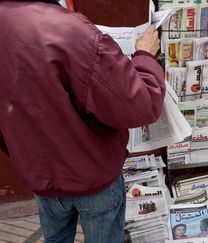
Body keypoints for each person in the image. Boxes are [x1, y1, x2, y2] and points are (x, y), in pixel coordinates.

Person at [0, 1, 165, 242]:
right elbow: (142, 105)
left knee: (55, 237)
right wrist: (145, 56)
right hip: (93, 179)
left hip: (41, 176)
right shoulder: (69, 31)